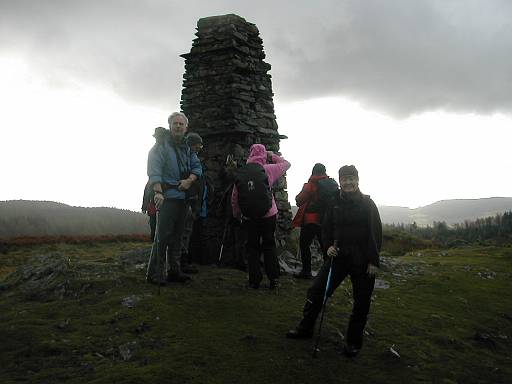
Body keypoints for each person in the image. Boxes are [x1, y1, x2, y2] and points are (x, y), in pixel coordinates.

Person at [286, 165, 382, 358]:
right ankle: (305, 328)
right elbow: (326, 227)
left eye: (351, 179)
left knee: (361, 302)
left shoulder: (368, 204)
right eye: (344, 179)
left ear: (357, 180)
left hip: (362, 259)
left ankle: (353, 343)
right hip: (338, 256)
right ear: (339, 182)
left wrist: (373, 261)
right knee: (316, 291)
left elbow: (375, 233)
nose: (348, 182)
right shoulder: (334, 202)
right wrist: (328, 245)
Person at [146, 112, 202, 284]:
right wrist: (158, 192)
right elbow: (154, 170)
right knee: (162, 236)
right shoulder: (161, 146)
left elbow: (197, 168)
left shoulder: (187, 148)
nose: (178, 126)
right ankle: (155, 274)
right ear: (170, 126)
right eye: (175, 123)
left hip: (183, 198)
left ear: (186, 128)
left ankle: (174, 271)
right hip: (167, 197)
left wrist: (189, 181)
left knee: (177, 237)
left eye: (181, 124)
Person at [231, 144, 291, 289]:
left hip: (249, 216)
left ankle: (254, 281)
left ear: (250, 154)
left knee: (252, 247)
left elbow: (235, 197)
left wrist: (238, 214)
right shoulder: (268, 169)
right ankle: (274, 279)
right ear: (263, 154)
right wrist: (272, 155)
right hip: (269, 213)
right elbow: (287, 164)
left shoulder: (242, 172)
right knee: (269, 245)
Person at [291, 163, 332, 279]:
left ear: (313, 171)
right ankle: (327, 272)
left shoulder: (311, 184)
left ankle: (306, 271)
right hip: (325, 220)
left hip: (311, 220)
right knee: (325, 247)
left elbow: (299, 200)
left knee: (304, 245)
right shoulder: (330, 184)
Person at [180, 132, 206, 273]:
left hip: (192, 203)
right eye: (198, 144)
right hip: (188, 203)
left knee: (186, 233)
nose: (200, 147)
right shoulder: (187, 161)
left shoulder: (192, 159)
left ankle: (183, 261)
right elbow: (193, 185)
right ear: (191, 144)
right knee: (184, 233)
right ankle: (182, 263)